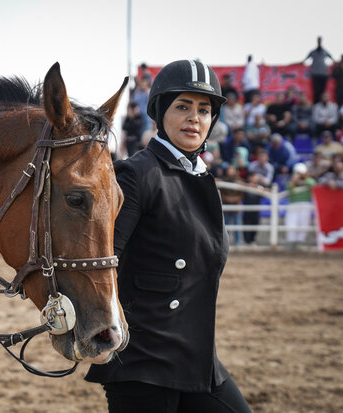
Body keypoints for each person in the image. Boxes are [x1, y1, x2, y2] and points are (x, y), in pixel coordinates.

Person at [85, 59, 251, 413]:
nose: (195, 118)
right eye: (183, 107)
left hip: (197, 357)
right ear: (160, 113)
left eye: (204, 110)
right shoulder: (135, 173)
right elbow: (105, 259)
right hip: (143, 361)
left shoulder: (201, 178)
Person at [285, 163, 315, 249]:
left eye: (301, 173)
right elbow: (288, 188)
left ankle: (299, 243)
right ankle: (292, 243)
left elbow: (313, 185)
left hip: (305, 204)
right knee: (291, 223)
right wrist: (294, 180)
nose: (299, 175)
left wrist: (305, 179)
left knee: (303, 224)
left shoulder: (309, 181)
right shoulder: (291, 182)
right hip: (293, 204)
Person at [303, 36, 334, 103]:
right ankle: (316, 104)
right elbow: (305, 60)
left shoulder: (324, 51)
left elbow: (332, 58)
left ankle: (322, 104)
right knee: (316, 91)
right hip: (315, 74)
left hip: (323, 74)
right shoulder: (313, 52)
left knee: (323, 91)